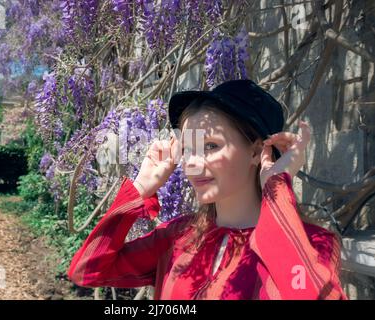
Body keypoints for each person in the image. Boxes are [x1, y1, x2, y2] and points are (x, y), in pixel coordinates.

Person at [67, 79, 348, 300]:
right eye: (188, 150)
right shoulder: (178, 236)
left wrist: (277, 188)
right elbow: (87, 270)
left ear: (255, 151)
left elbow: (302, 293)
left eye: (210, 146)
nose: (191, 163)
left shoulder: (314, 244)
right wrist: (140, 189)